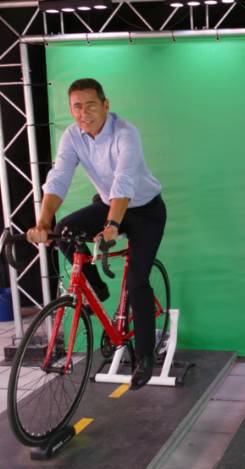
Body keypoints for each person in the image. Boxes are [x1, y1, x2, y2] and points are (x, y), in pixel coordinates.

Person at [27, 78, 166, 389]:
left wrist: (113, 225)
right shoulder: (72, 136)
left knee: (137, 282)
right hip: (107, 204)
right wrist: (43, 222)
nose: (84, 113)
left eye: (90, 105)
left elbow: (124, 181)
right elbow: (59, 177)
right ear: (71, 110)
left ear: (105, 105)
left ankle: (145, 357)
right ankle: (97, 287)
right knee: (63, 232)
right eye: (77, 107)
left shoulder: (125, 133)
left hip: (144, 211)